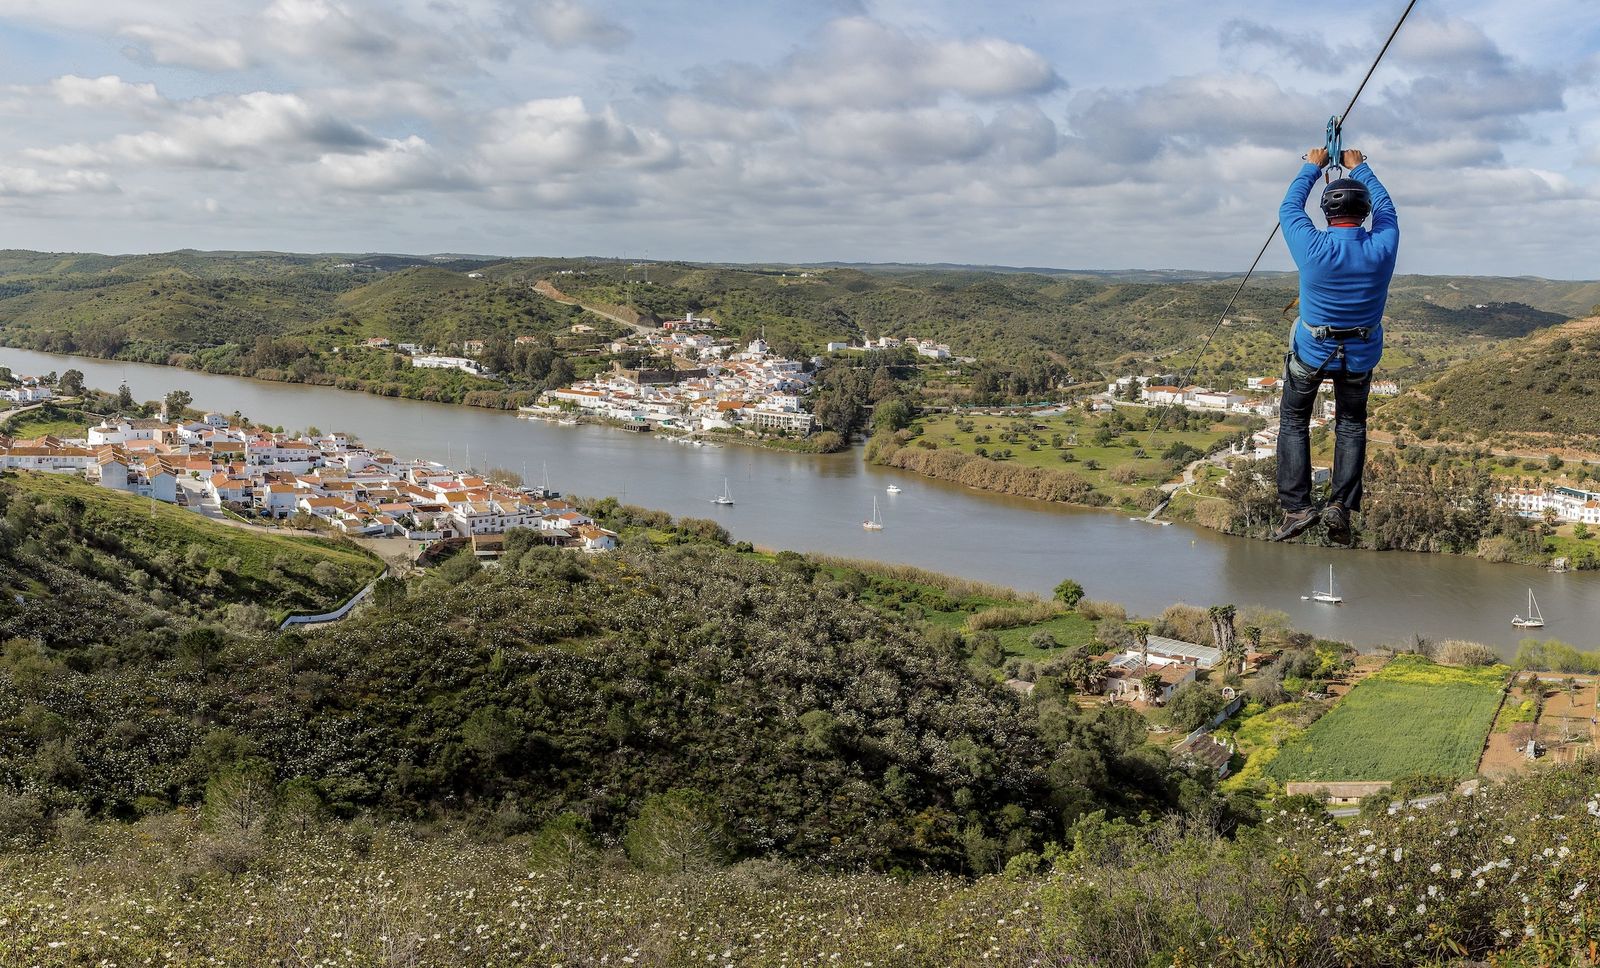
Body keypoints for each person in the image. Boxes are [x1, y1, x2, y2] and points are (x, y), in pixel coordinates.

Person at [1270, 146, 1398, 545]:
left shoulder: (1312, 246)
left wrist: (1313, 164)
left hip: (1312, 351)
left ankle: (1297, 507)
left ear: (1326, 212)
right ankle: (1339, 505)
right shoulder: (1383, 245)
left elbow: (1290, 205)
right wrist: (1362, 168)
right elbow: (1388, 210)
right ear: (1365, 212)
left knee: (1294, 421)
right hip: (1359, 355)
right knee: (1351, 424)